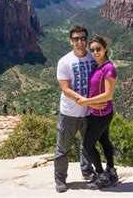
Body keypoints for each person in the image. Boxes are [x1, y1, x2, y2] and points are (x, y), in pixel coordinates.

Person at [54, 25, 106, 193]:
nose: (80, 41)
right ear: (71, 41)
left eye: (83, 38)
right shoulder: (64, 61)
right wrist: (84, 101)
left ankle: (87, 171)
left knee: (87, 145)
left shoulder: (94, 58)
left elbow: (105, 75)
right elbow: (65, 88)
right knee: (63, 148)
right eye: (76, 39)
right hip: (69, 113)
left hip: (89, 113)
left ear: (86, 40)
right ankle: (60, 179)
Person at [77, 36, 118, 189]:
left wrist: (86, 101)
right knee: (104, 141)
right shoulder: (97, 65)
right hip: (99, 111)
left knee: (87, 145)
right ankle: (111, 171)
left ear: (105, 48)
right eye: (92, 49)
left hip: (101, 114)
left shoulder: (109, 68)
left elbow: (109, 94)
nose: (95, 52)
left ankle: (102, 176)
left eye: (98, 49)